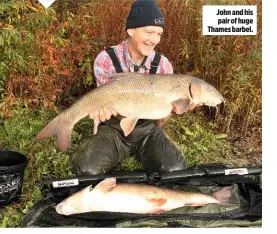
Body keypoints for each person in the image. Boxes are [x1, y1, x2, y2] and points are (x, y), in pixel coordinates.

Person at [72, 0, 196, 176]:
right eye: (149, 32)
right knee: (87, 170)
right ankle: (87, 145)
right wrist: (101, 110)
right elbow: (104, 101)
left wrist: (174, 109)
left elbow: (160, 121)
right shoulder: (106, 59)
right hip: (114, 129)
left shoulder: (162, 65)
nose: (154, 40)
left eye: (159, 34)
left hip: (147, 129)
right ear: (131, 30)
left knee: (175, 170)